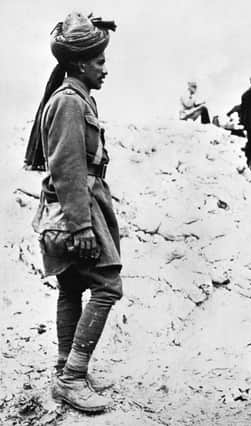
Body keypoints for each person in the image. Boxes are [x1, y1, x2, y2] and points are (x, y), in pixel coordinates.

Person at [25, 11, 122, 413]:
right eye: (99, 61)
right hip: (78, 205)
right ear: (81, 63)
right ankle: (71, 377)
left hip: (84, 199)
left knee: (71, 286)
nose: (105, 68)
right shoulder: (68, 102)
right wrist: (81, 224)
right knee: (107, 285)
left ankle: (66, 365)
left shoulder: (78, 98)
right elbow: (66, 167)